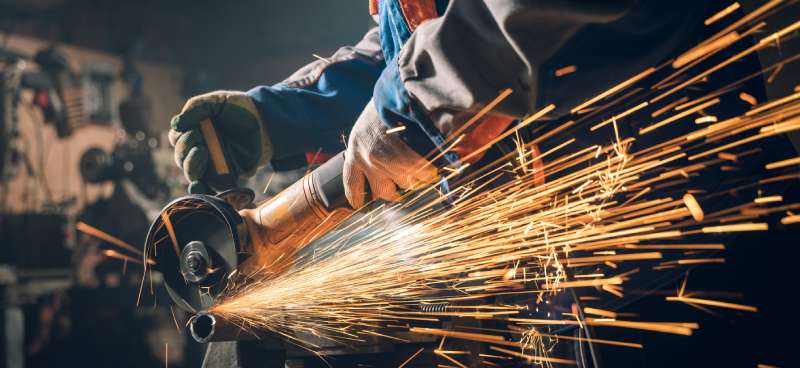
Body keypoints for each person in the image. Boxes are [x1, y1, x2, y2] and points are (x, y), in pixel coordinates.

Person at [168, 0, 713, 209]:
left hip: (670, 201)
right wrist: (284, 115)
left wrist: (420, 98)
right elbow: (407, 39)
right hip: (541, 241)